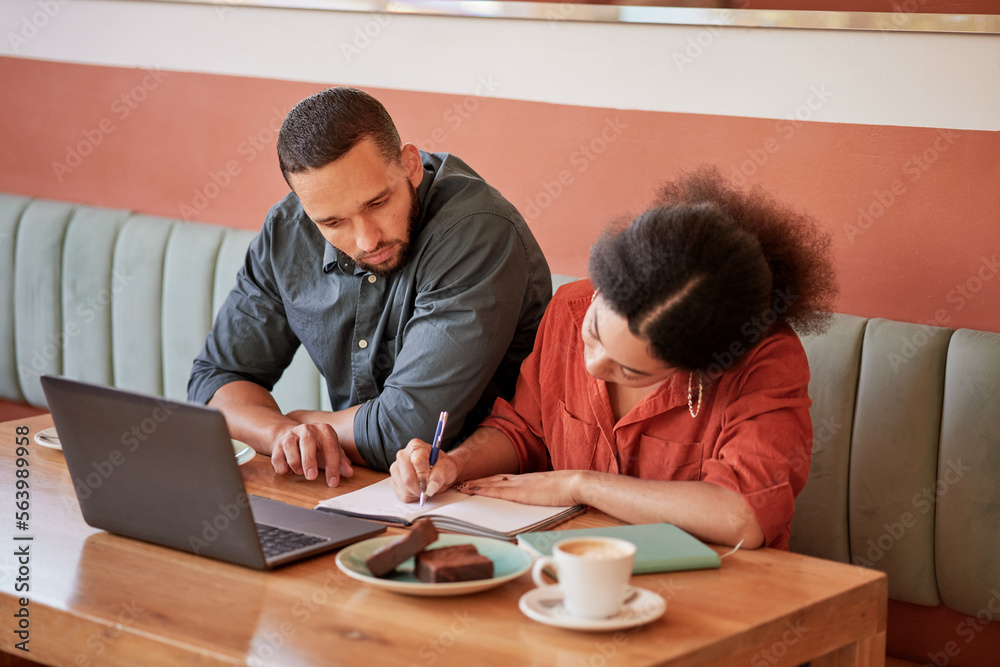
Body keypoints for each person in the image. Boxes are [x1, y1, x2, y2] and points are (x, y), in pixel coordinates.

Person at [390, 166, 837, 550]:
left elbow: (744, 516)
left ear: (702, 364)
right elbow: (524, 431)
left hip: (714, 595)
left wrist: (580, 483)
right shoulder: (569, 307)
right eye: (595, 333)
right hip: (574, 570)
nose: (592, 367)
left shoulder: (763, 361)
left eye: (631, 371)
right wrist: (453, 463)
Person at [188, 87, 551, 486]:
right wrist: (282, 434)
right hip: (355, 488)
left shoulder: (477, 232)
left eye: (377, 203)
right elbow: (216, 379)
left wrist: (305, 421)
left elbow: (406, 431)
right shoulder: (288, 230)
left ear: (410, 165)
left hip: (482, 495)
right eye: (333, 223)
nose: (366, 240)